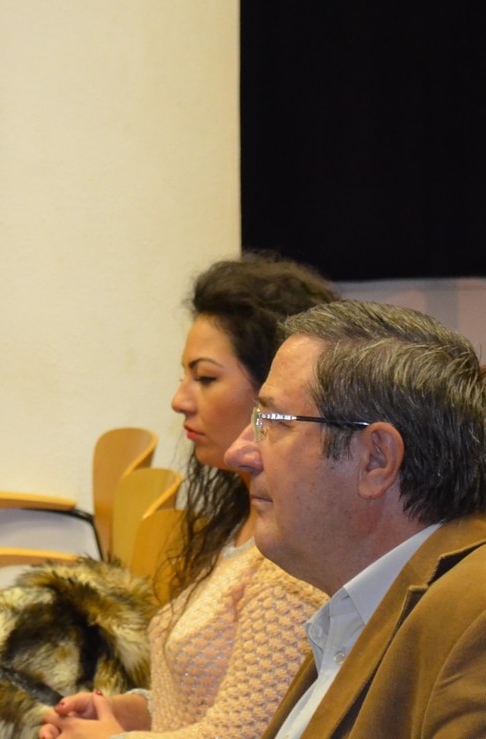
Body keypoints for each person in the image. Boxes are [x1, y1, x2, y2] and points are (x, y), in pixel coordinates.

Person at [40, 254, 336, 738]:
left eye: (205, 378)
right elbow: (198, 701)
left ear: (273, 394)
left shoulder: (291, 559)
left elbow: (243, 734)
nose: (179, 400)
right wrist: (129, 712)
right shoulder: (235, 523)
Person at [223, 301, 486, 738]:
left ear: (375, 460)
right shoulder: (359, 610)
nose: (239, 454)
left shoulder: (474, 618)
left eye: (273, 422)